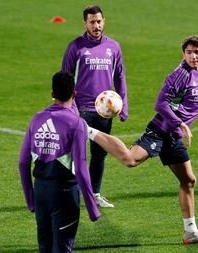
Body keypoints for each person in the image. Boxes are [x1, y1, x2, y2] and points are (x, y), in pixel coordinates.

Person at [86, 35, 198, 244]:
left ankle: (190, 232)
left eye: (197, 52)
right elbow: (160, 103)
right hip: (161, 131)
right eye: (189, 52)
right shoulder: (180, 74)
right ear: (183, 54)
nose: (193, 56)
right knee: (129, 160)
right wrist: (180, 123)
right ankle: (87, 130)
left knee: (188, 181)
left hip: (174, 136)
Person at [19, 72, 100, 253]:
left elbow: (23, 163)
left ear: (52, 93)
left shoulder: (36, 119)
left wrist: (31, 200)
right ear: (74, 94)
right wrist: (92, 208)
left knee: (45, 248)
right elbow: (80, 169)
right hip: (64, 195)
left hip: (40, 192)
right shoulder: (77, 124)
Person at [60, 5, 128, 208]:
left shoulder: (114, 47)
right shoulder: (76, 47)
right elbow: (65, 78)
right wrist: (67, 107)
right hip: (80, 110)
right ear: (85, 23)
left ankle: (94, 194)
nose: (96, 25)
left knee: (99, 154)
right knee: (74, 153)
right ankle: (67, 193)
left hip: (104, 111)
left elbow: (120, 76)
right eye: (92, 22)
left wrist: (123, 105)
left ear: (104, 21)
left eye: (99, 21)